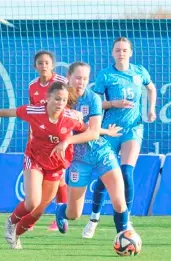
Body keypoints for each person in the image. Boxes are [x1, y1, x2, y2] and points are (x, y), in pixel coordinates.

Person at [0, 81, 90, 249]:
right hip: (34, 158)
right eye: (57, 99)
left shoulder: (70, 118)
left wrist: (106, 131)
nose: (60, 104)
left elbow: (89, 130)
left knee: (40, 209)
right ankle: (11, 222)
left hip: (56, 165)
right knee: (32, 202)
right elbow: (9, 112)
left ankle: (16, 235)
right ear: (48, 98)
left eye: (63, 100)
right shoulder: (34, 111)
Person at [82, 37, 157, 239]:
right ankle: (94, 218)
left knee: (126, 172)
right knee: (106, 177)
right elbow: (95, 103)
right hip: (110, 129)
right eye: (117, 50)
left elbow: (151, 88)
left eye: (124, 50)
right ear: (113, 53)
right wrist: (114, 103)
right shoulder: (105, 75)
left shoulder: (139, 71)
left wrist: (151, 109)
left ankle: (126, 220)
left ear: (130, 52)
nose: (121, 53)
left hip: (133, 129)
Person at [53, 62, 131, 237]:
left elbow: (93, 133)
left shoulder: (93, 98)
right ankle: (61, 211)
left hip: (101, 153)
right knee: (74, 214)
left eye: (85, 78)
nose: (81, 82)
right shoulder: (61, 100)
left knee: (119, 202)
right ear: (69, 78)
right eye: (78, 78)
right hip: (78, 159)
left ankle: (123, 237)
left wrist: (68, 140)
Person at [29, 50, 68, 231]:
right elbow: (32, 114)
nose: (44, 66)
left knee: (59, 178)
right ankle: (35, 217)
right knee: (43, 181)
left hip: (59, 137)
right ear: (35, 66)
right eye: (40, 63)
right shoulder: (32, 86)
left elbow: (67, 110)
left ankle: (60, 216)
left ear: (52, 65)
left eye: (47, 63)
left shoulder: (61, 83)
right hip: (40, 140)